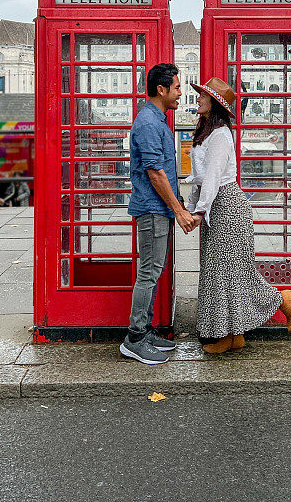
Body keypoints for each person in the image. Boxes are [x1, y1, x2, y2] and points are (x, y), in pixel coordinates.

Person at [186, 77, 291, 355]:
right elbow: (199, 179)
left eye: (202, 96)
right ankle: (233, 336)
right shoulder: (205, 132)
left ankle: (282, 299)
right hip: (216, 205)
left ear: (214, 103)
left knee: (232, 273)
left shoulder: (221, 135)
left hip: (227, 206)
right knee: (221, 274)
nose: (198, 98)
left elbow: (213, 177)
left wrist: (199, 211)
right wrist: (190, 207)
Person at [120, 63, 195, 366]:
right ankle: (134, 338)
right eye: (177, 87)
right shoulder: (150, 123)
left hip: (159, 208)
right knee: (148, 274)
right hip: (153, 209)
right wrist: (179, 211)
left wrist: (177, 204)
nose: (180, 92)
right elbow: (155, 172)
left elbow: (166, 171)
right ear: (161, 90)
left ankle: (146, 330)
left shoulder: (156, 119)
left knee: (153, 271)